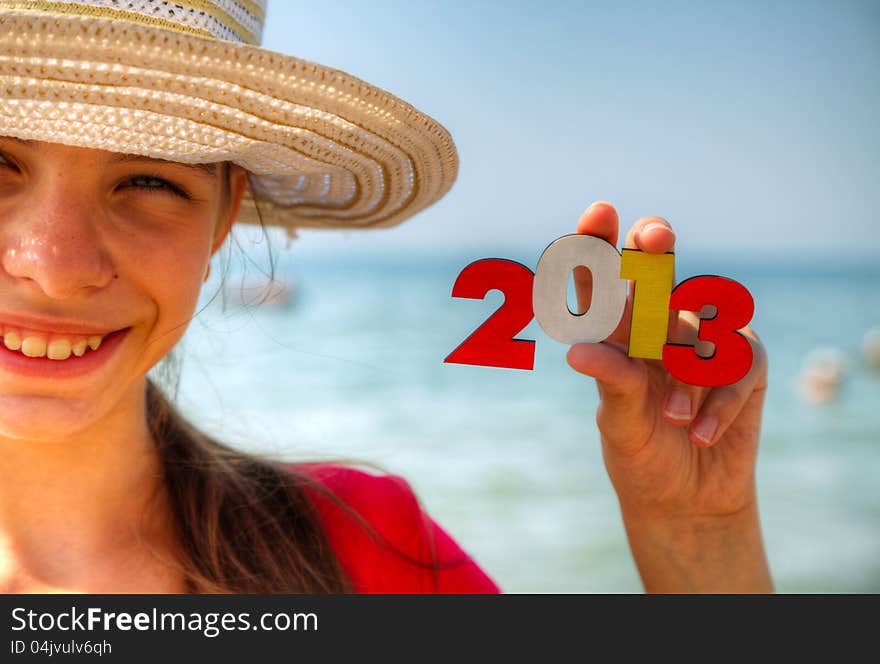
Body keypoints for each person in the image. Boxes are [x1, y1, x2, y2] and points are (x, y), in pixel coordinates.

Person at [0, 1, 772, 593]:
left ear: (223, 216)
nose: (56, 266)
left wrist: (698, 535)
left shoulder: (369, 552)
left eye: (147, 180)